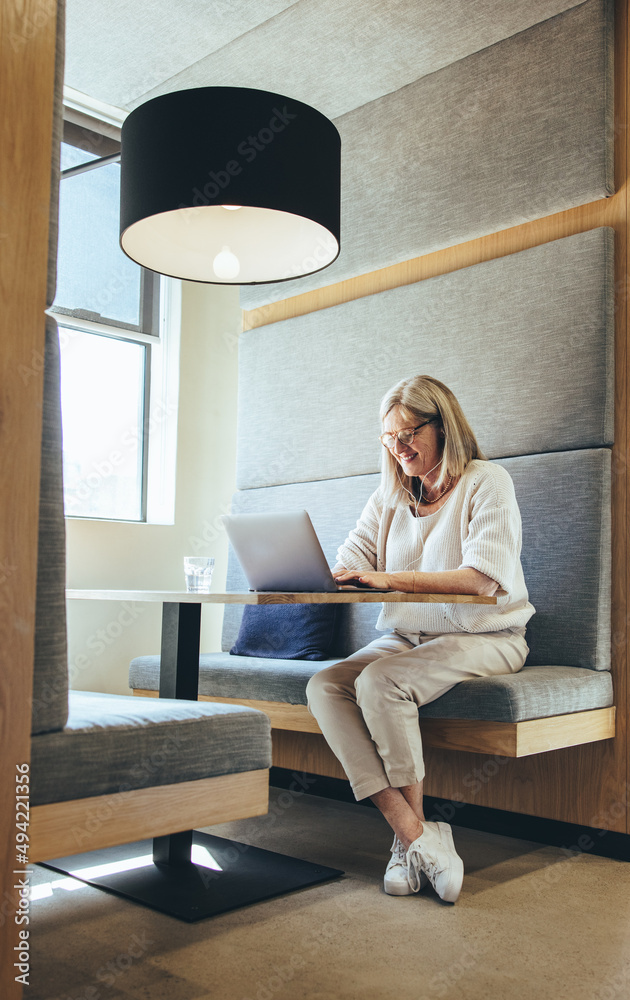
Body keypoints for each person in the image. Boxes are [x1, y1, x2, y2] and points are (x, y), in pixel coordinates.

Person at [306, 375, 534, 902]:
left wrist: (386, 579)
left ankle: (408, 846)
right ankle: (415, 836)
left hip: (489, 635)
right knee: (325, 685)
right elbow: (353, 560)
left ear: (443, 426)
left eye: (409, 432)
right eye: (389, 437)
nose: (399, 446)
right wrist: (315, 575)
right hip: (410, 637)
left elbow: (482, 579)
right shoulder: (389, 497)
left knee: (381, 682)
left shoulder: (486, 481)